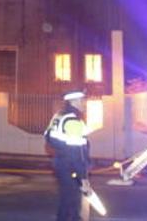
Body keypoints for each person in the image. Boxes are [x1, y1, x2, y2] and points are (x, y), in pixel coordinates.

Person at [44, 90, 91, 221]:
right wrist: (83, 177)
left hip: (61, 162)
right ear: (73, 101)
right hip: (71, 166)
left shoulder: (59, 115)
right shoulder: (73, 121)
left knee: (67, 199)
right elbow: (78, 151)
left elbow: (48, 137)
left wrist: (61, 151)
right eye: (82, 100)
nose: (84, 103)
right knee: (73, 201)